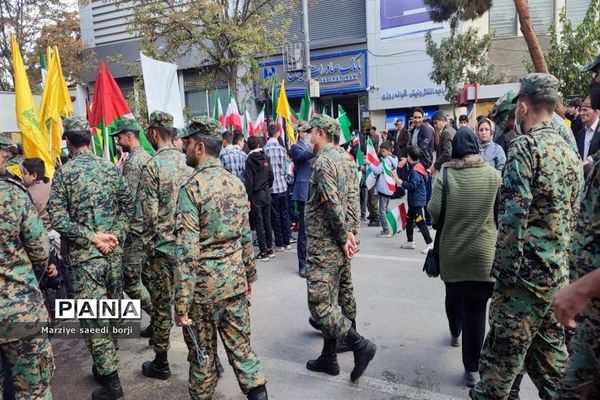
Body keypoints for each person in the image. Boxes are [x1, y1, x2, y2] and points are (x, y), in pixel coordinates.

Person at [471, 73, 584, 400]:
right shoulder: (568, 150)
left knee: (495, 370)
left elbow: (512, 219)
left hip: (523, 283)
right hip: (555, 277)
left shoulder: (525, 148)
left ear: (523, 107)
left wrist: (503, 280)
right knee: (552, 368)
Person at [173, 116, 268, 400]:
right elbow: (245, 237)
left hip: (203, 291)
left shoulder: (191, 189)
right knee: (242, 351)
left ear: (199, 147)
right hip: (235, 283)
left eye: (187, 143)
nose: (184, 148)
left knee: (202, 358)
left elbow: (187, 251)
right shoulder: (235, 185)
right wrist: (249, 276)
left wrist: (181, 302)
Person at [48, 116, 135, 400]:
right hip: (111, 257)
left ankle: (112, 385)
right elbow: (128, 205)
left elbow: (58, 219)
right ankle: (104, 365)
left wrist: (91, 237)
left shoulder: (64, 174)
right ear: (87, 139)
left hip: (87, 260)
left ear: (69, 142)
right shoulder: (110, 168)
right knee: (109, 313)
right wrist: (114, 236)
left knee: (94, 319)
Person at [304, 114, 376, 382]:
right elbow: (353, 201)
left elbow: (333, 203)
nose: (307, 137)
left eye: (310, 132)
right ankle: (329, 357)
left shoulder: (323, 162)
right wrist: (352, 235)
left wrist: (345, 236)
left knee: (321, 305)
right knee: (340, 298)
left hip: (326, 243)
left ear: (321, 133)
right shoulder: (346, 158)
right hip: (340, 241)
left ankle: (360, 345)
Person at [427, 128, 501, 388]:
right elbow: (501, 213)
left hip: (452, 254)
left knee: (453, 295)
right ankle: (472, 369)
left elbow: (434, 211)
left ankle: (454, 330)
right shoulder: (494, 176)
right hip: (484, 257)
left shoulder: (445, 175)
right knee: (477, 310)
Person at [138, 111, 194, 380]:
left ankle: (161, 362)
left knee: (162, 307)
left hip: (162, 249)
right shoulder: (190, 162)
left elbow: (148, 216)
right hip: (189, 246)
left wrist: (149, 248)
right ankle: (206, 359)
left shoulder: (153, 166)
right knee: (191, 306)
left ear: (152, 134)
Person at [1, 178, 54, 400]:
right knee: (34, 393)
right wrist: (27, 283)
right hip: (19, 311)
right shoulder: (12, 194)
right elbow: (40, 251)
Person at [110, 119, 154, 337]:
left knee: (131, 282)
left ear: (129, 136)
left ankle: (158, 317)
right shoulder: (148, 157)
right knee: (146, 278)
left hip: (135, 230)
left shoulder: (135, 162)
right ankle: (158, 322)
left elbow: (125, 197)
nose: (117, 142)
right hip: (147, 227)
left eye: (118, 137)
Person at [395, 146, 433, 254]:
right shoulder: (418, 166)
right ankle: (410, 241)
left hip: (416, 201)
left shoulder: (415, 171)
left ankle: (430, 243)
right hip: (415, 200)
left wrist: (400, 182)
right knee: (409, 220)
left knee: (420, 222)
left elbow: (413, 185)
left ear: (409, 157)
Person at [290, 123, 316, 277]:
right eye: (308, 132)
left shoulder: (311, 147)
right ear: (301, 134)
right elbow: (302, 157)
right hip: (303, 192)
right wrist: (315, 146)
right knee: (304, 232)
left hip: (314, 190)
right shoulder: (296, 147)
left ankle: (313, 261)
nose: (309, 134)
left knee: (314, 230)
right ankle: (302, 264)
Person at [244, 136, 275, 261]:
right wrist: (268, 186)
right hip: (267, 192)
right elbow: (271, 175)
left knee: (259, 222)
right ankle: (270, 248)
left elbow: (249, 181)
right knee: (268, 221)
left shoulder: (249, 160)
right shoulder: (266, 157)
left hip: (256, 194)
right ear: (258, 145)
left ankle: (263, 252)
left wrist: (249, 197)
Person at [264, 125, 293, 251]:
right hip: (283, 186)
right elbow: (286, 168)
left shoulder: (265, 150)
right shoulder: (282, 149)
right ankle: (287, 241)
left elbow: (266, 170)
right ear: (277, 134)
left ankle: (279, 243)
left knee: (275, 216)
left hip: (272, 187)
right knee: (285, 214)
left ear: (267, 134)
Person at [365, 140, 397, 238]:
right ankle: (395, 221)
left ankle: (386, 230)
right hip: (390, 188)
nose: (381, 153)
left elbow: (377, 170)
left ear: (388, 150)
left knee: (381, 211)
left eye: (382, 151)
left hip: (384, 188)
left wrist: (369, 163)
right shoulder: (394, 159)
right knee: (386, 208)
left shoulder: (386, 161)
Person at [410, 107, 434, 226]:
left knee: (426, 196)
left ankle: (428, 221)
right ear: (412, 118)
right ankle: (418, 221)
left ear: (423, 118)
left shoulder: (427, 130)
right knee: (416, 196)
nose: (417, 119)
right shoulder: (413, 130)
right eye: (415, 117)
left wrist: (410, 154)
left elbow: (421, 149)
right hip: (414, 167)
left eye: (419, 117)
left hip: (424, 166)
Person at [574, 96, 600, 166]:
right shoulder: (580, 134)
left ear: (596, 111)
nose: (581, 113)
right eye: (581, 110)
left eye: (585, 110)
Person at [367, 127, 380, 227]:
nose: (370, 131)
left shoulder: (375, 137)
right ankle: (373, 215)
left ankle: (376, 218)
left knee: (373, 200)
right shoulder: (370, 138)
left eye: (372, 130)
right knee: (370, 200)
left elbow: (377, 170)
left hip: (374, 179)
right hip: (370, 178)